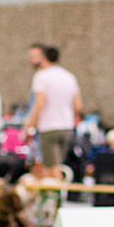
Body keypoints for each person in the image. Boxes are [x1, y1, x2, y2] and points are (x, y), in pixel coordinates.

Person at [24, 44, 82, 180]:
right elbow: (78, 106)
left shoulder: (41, 76)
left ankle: (57, 198)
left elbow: (39, 103)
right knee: (56, 164)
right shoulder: (69, 77)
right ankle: (53, 196)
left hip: (49, 128)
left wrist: (29, 126)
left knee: (51, 168)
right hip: (67, 128)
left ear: (43, 58)